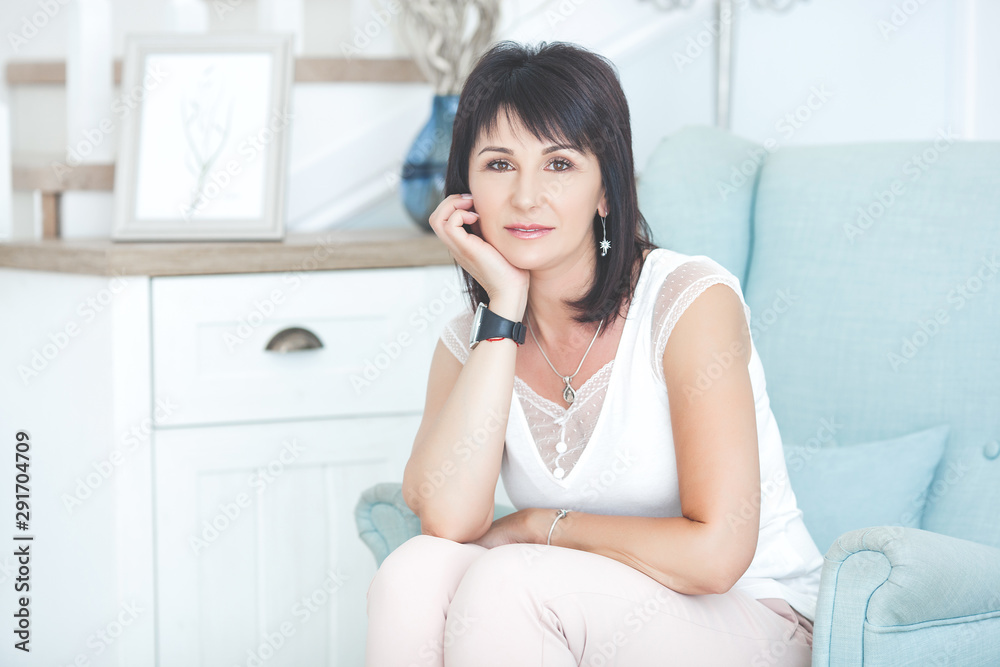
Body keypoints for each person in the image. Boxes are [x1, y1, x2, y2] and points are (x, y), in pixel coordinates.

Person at [365, 40, 823, 666]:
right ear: (465, 192)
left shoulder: (688, 302)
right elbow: (448, 521)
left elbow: (717, 557)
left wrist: (539, 525)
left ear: (606, 191)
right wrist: (502, 310)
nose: (526, 196)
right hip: (588, 606)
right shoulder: (471, 339)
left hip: (755, 617)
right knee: (413, 572)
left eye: (559, 164)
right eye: (499, 165)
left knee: (511, 580)